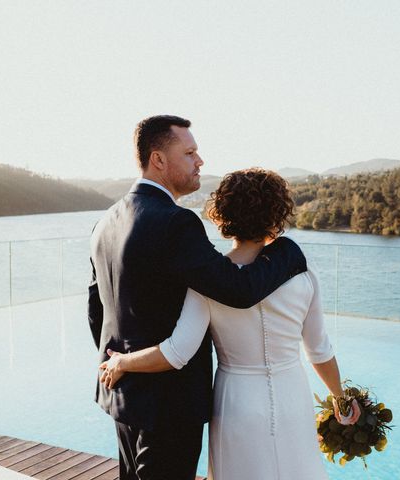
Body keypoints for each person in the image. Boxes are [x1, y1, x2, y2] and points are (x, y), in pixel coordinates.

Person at [88, 116, 307, 480]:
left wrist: (120, 362)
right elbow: (237, 290)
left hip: (122, 395)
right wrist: (287, 252)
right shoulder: (177, 223)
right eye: (189, 153)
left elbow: (97, 311)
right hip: (170, 407)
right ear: (158, 159)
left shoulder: (105, 222)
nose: (199, 162)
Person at [99, 168, 355, 480]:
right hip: (292, 396)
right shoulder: (302, 271)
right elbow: (319, 350)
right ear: (278, 213)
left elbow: (177, 352)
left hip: (236, 401)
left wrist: (124, 361)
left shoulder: (208, 280)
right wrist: (340, 398)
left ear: (223, 216)